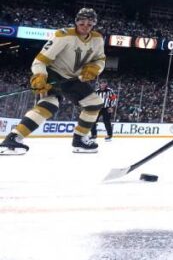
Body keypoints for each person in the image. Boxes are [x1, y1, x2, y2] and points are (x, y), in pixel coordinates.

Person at [1, 8, 106, 155]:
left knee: (94, 104)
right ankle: (13, 139)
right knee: (50, 105)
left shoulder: (97, 39)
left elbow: (100, 59)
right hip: (53, 74)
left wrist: (95, 68)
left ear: (94, 24)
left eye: (90, 24)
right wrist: (39, 76)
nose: (86, 26)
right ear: (76, 22)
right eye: (82, 23)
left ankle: (80, 140)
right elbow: (40, 61)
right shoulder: (63, 35)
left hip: (73, 78)